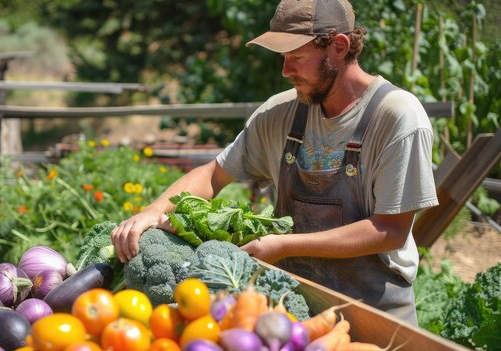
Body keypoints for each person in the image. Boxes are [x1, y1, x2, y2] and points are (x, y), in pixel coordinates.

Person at [111, 0, 438, 325]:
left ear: (339, 46)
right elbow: (213, 174)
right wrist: (154, 211)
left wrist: (283, 245)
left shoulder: (396, 117)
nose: (285, 71)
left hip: (376, 316)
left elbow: (390, 230)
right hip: (288, 309)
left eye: (297, 57)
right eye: (283, 58)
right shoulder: (280, 112)